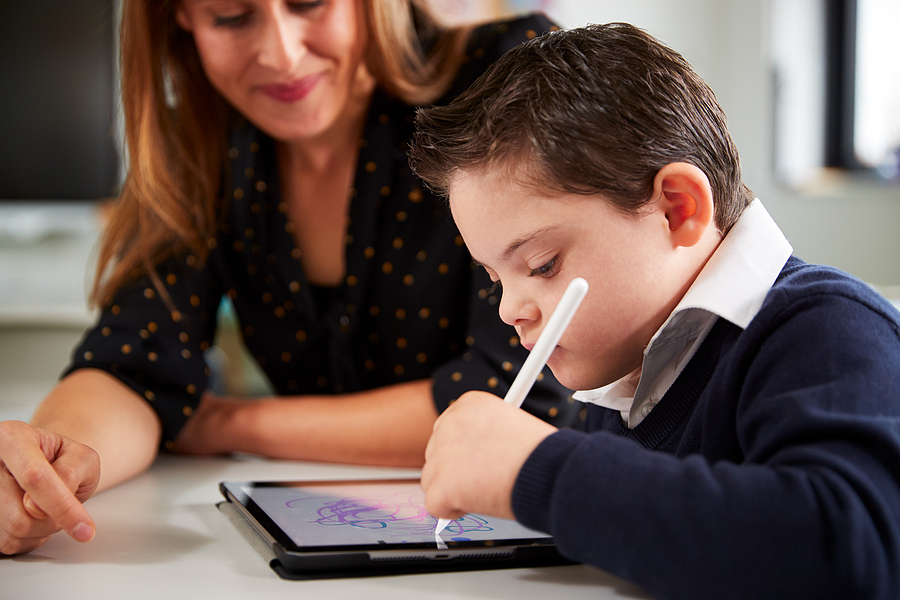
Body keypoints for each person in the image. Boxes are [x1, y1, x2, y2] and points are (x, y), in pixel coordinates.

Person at [0, 1, 578, 557]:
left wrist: (226, 422)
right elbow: (133, 363)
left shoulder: (502, 75)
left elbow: (515, 401)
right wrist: (44, 463)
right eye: (230, 16)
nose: (281, 54)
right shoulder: (201, 139)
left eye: (309, 2)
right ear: (180, 15)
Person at [411, 22, 900, 600]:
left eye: (541, 265)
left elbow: (850, 550)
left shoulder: (827, 331)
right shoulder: (622, 385)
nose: (510, 310)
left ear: (676, 209)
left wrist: (538, 469)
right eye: (495, 279)